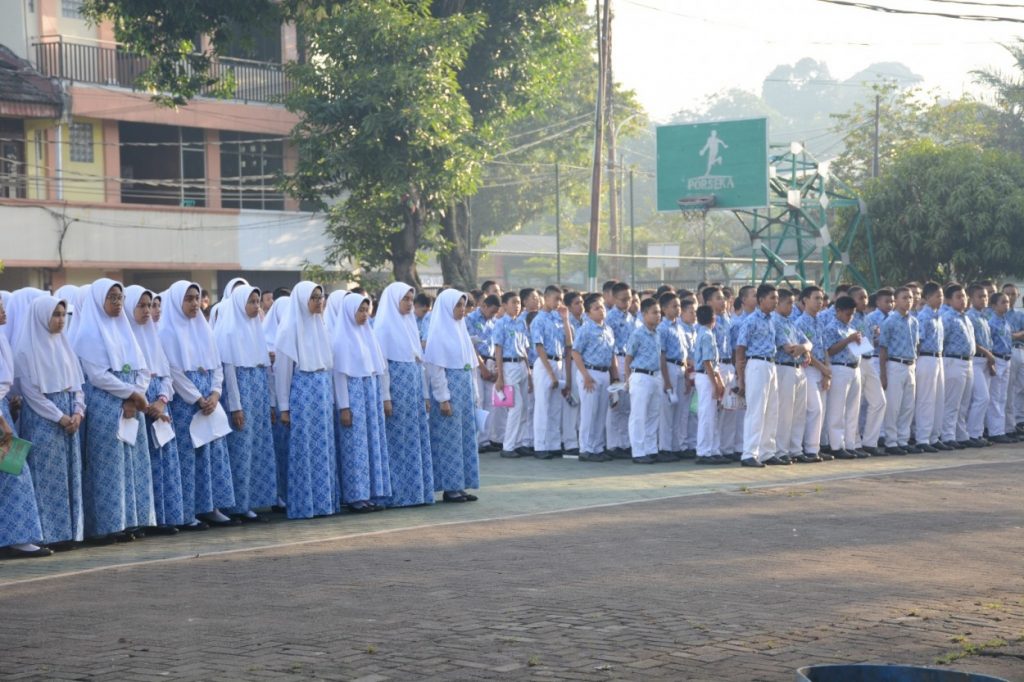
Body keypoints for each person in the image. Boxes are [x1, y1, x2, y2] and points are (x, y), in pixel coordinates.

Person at [70, 279, 155, 543]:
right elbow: (97, 376)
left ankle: (131, 520)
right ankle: (108, 525)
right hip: (105, 405)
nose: (118, 303)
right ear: (99, 300)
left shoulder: (125, 329)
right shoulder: (88, 333)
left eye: (120, 298)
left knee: (132, 463)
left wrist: (137, 394)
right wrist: (131, 394)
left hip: (132, 403)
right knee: (108, 467)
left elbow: (143, 369)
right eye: (112, 298)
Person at [158, 281, 237, 529]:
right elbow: (173, 370)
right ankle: (189, 509)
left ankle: (211, 506)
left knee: (212, 454)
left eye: (197, 298)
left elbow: (217, 365)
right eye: (189, 299)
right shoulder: (167, 332)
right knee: (189, 456)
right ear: (177, 302)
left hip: (208, 401)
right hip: (186, 404)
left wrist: (214, 393)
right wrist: (197, 398)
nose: (194, 304)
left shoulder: (204, 329)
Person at [13, 295, 85, 552]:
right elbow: (32, 394)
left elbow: (77, 384)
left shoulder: (64, 345)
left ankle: (68, 533)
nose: (60, 320)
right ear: (42, 316)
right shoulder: (25, 349)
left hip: (68, 419)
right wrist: (60, 416)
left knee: (69, 476)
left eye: (63, 314)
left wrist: (78, 411)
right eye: (55, 314)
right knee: (47, 479)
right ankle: (48, 534)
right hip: (44, 421)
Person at [273, 281, 339, 518]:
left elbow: (327, 366)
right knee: (304, 450)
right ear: (302, 300)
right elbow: (283, 373)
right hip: (302, 395)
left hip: (321, 396)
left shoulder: (320, 325)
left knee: (323, 449)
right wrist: (284, 408)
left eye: (321, 297)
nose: (319, 301)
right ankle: (304, 504)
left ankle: (323, 503)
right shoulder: (289, 329)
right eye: (314, 297)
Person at [215, 285, 278, 521]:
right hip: (241, 398)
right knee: (240, 450)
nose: (256, 306)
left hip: (258, 396)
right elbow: (230, 373)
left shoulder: (256, 330)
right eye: (251, 302)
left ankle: (251, 501)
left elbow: (265, 370)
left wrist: (270, 403)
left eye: (258, 302)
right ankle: (236, 505)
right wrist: (236, 406)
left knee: (257, 448)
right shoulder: (228, 332)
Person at [124, 285, 183, 535]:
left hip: (157, 406)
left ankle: (164, 517)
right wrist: (145, 403)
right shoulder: (124, 336)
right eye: (142, 305)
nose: (148, 311)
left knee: (163, 462)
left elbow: (166, 375)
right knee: (141, 465)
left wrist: (161, 400)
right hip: (138, 405)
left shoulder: (153, 336)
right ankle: (144, 519)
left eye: (150, 305)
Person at [372, 283, 434, 507]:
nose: (409, 304)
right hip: (397, 390)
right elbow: (383, 367)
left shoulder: (410, 326)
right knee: (396, 443)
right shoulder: (383, 327)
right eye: (405, 299)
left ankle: (415, 492)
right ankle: (396, 494)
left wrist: (426, 395)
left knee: (414, 440)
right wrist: (386, 397)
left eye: (411, 299)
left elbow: (420, 363)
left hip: (414, 390)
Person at [333, 292, 392, 513]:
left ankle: (369, 494)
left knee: (370, 445)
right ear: (349, 311)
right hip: (354, 398)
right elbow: (340, 375)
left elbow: (378, 369)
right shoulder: (341, 338)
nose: (364, 314)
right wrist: (344, 407)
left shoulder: (369, 335)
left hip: (370, 395)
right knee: (355, 447)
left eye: (367, 310)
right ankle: (355, 496)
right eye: (360, 310)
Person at [423, 289, 481, 503]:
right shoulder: (438, 333)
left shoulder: (461, 330)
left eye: (463, 306)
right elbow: (436, 369)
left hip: (464, 393)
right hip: (450, 395)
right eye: (458, 306)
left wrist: (475, 394)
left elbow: (470, 367)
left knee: (465, 438)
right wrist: (443, 398)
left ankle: (461, 484)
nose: (462, 310)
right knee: (449, 441)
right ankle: (449, 487)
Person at [735, 284, 788, 467]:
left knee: (772, 410)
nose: (775, 302)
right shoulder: (750, 320)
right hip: (756, 364)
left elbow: (784, 344)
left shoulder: (774, 320)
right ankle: (749, 453)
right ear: (761, 300)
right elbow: (740, 349)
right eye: (772, 298)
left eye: (776, 298)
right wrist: (740, 378)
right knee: (756, 410)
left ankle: (767, 451)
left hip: (771, 364)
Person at [571, 293, 617, 462]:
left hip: (604, 373)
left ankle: (597, 447)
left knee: (601, 412)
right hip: (590, 372)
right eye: (596, 308)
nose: (601, 310)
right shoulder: (586, 329)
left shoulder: (608, 329)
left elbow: (612, 353)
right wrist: (586, 375)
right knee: (589, 412)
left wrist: (614, 376)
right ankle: (586, 448)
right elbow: (575, 352)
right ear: (589, 312)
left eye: (602, 307)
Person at [531, 286, 572, 460]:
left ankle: (554, 444)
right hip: (545, 363)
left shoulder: (558, 317)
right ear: (546, 298)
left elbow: (569, 342)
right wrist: (551, 374)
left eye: (560, 299)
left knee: (556, 407)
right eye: (556, 299)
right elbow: (539, 347)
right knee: (542, 406)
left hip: (559, 361)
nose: (558, 303)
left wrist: (565, 319)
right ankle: (540, 445)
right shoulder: (538, 320)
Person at [624, 297, 667, 464]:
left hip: (655, 376)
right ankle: (638, 451)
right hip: (641, 376)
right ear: (644, 314)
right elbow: (628, 358)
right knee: (638, 415)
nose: (658, 316)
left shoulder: (657, 334)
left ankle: (651, 449)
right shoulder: (638, 333)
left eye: (659, 313)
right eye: (654, 312)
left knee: (653, 414)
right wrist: (628, 379)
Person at [772, 289, 812, 463]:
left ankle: (795, 449)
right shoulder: (775, 321)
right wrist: (803, 348)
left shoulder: (791, 322)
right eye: (788, 302)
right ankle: (781, 450)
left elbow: (808, 343)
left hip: (798, 368)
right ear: (778, 303)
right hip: (784, 367)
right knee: (785, 411)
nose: (792, 306)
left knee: (799, 412)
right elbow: (789, 348)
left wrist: (805, 348)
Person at [879, 286, 920, 455]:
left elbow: (916, 345)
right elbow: (883, 348)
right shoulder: (889, 321)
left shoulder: (914, 321)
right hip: (895, 364)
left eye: (910, 297)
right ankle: (891, 441)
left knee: (908, 406)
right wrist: (883, 373)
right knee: (893, 406)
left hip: (910, 365)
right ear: (896, 300)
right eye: (904, 297)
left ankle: (903, 439)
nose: (908, 301)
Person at [823, 296, 864, 460]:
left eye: (852, 314)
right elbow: (830, 350)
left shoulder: (850, 327)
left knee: (853, 409)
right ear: (838, 311)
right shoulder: (831, 328)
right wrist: (848, 340)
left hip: (854, 368)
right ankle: (836, 445)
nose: (850, 317)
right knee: (837, 409)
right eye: (847, 314)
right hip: (839, 367)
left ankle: (850, 444)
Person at [493, 291, 532, 458]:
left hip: (521, 364)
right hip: (508, 365)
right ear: (504, 305)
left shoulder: (522, 323)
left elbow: (525, 349)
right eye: (513, 302)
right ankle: (508, 446)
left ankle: (520, 442)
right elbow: (498, 350)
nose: (517, 306)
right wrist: (500, 376)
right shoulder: (501, 324)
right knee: (516, 407)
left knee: (524, 408)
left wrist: (529, 372)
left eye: (518, 303)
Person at [940, 284, 975, 449]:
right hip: (953, 361)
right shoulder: (947, 318)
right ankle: (948, 435)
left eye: (964, 296)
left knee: (964, 402)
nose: (963, 300)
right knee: (952, 401)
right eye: (958, 297)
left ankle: (961, 434)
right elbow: (942, 341)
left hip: (968, 361)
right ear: (949, 300)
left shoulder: (965, 317)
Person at [465, 294, 501, 452]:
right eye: (491, 311)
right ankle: (477, 439)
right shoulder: (471, 319)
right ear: (484, 306)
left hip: (491, 360)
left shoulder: (494, 322)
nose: (492, 315)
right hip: (477, 362)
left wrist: (496, 367)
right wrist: (482, 367)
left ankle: (486, 439)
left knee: (491, 403)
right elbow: (471, 346)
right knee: (479, 400)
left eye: (495, 313)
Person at [692, 304, 727, 464]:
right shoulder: (706, 335)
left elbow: (712, 363)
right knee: (706, 415)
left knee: (711, 415)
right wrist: (715, 384)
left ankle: (712, 449)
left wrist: (718, 381)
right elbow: (707, 362)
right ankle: (704, 451)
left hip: (708, 376)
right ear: (713, 318)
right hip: (706, 377)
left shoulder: (705, 333)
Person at [914, 282, 946, 452]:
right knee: (926, 399)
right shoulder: (923, 317)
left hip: (939, 357)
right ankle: (923, 438)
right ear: (926, 298)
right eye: (936, 296)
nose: (940, 299)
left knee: (939, 399)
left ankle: (934, 436)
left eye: (941, 296)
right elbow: (918, 342)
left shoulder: (938, 316)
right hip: (926, 358)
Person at [657, 291, 689, 460]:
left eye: (679, 306)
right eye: (674, 306)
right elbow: (662, 355)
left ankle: (676, 446)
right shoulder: (662, 328)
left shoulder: (680, 326)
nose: (678, 309)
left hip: (681, 368)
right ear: (664, 309)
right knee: (667, 411)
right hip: (668, 367)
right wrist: (666, 380)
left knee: (679, 410)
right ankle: (665, 448)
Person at [606, 282, 635, 457]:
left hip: (630, 362)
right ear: (614, 298)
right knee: (615, 405)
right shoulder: (610, 318)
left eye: (629, 299)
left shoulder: (632, 319)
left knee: (627, 406)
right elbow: (610, 347)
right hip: (617, 360)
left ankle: (625, 443)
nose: (627, 302)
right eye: (623, 299)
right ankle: (614, 444)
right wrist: (614, 372)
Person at [966, 284, 997, 448]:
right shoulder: (970, 316)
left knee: (985, 398)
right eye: (980, 296)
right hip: (976, 360)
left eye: (985, 296)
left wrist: (990, 360)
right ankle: (972, 433)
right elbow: (973, 342)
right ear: (971, 298)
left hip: (986, 361)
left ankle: (977, 433)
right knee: (981, 397)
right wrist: (986, 353)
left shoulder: (984, 316)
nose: (984, 299)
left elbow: (988, 341)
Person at [986, 291, 1014, 444]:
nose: (1006, 304)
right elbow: (990, 343)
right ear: (994, 305)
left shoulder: (1005, 321)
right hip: (997, 358)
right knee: (995, 397)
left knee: (1003, 396)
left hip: (1007, 358)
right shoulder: (992, 322)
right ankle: (995, 431)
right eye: (1003, 302)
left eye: (1008, 301)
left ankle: (1001, 429)